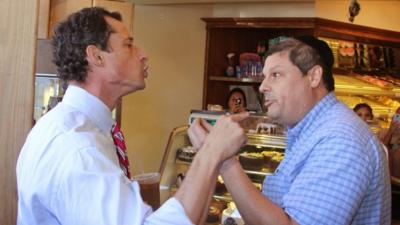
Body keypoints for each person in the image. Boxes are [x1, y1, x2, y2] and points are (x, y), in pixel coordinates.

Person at [16, 7, 248, 225]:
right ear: (96, 56)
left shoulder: (82, 130)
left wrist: (213, 156)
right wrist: (210, 153)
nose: (143, 55)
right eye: (129, 45)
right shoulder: (77, 148)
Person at [189, 36, 391, 224]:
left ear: (313, 77)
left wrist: (225, 159)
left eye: (276, 75)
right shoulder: (311, 130)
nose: (262, 87)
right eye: (264, 76)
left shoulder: (341, 141)